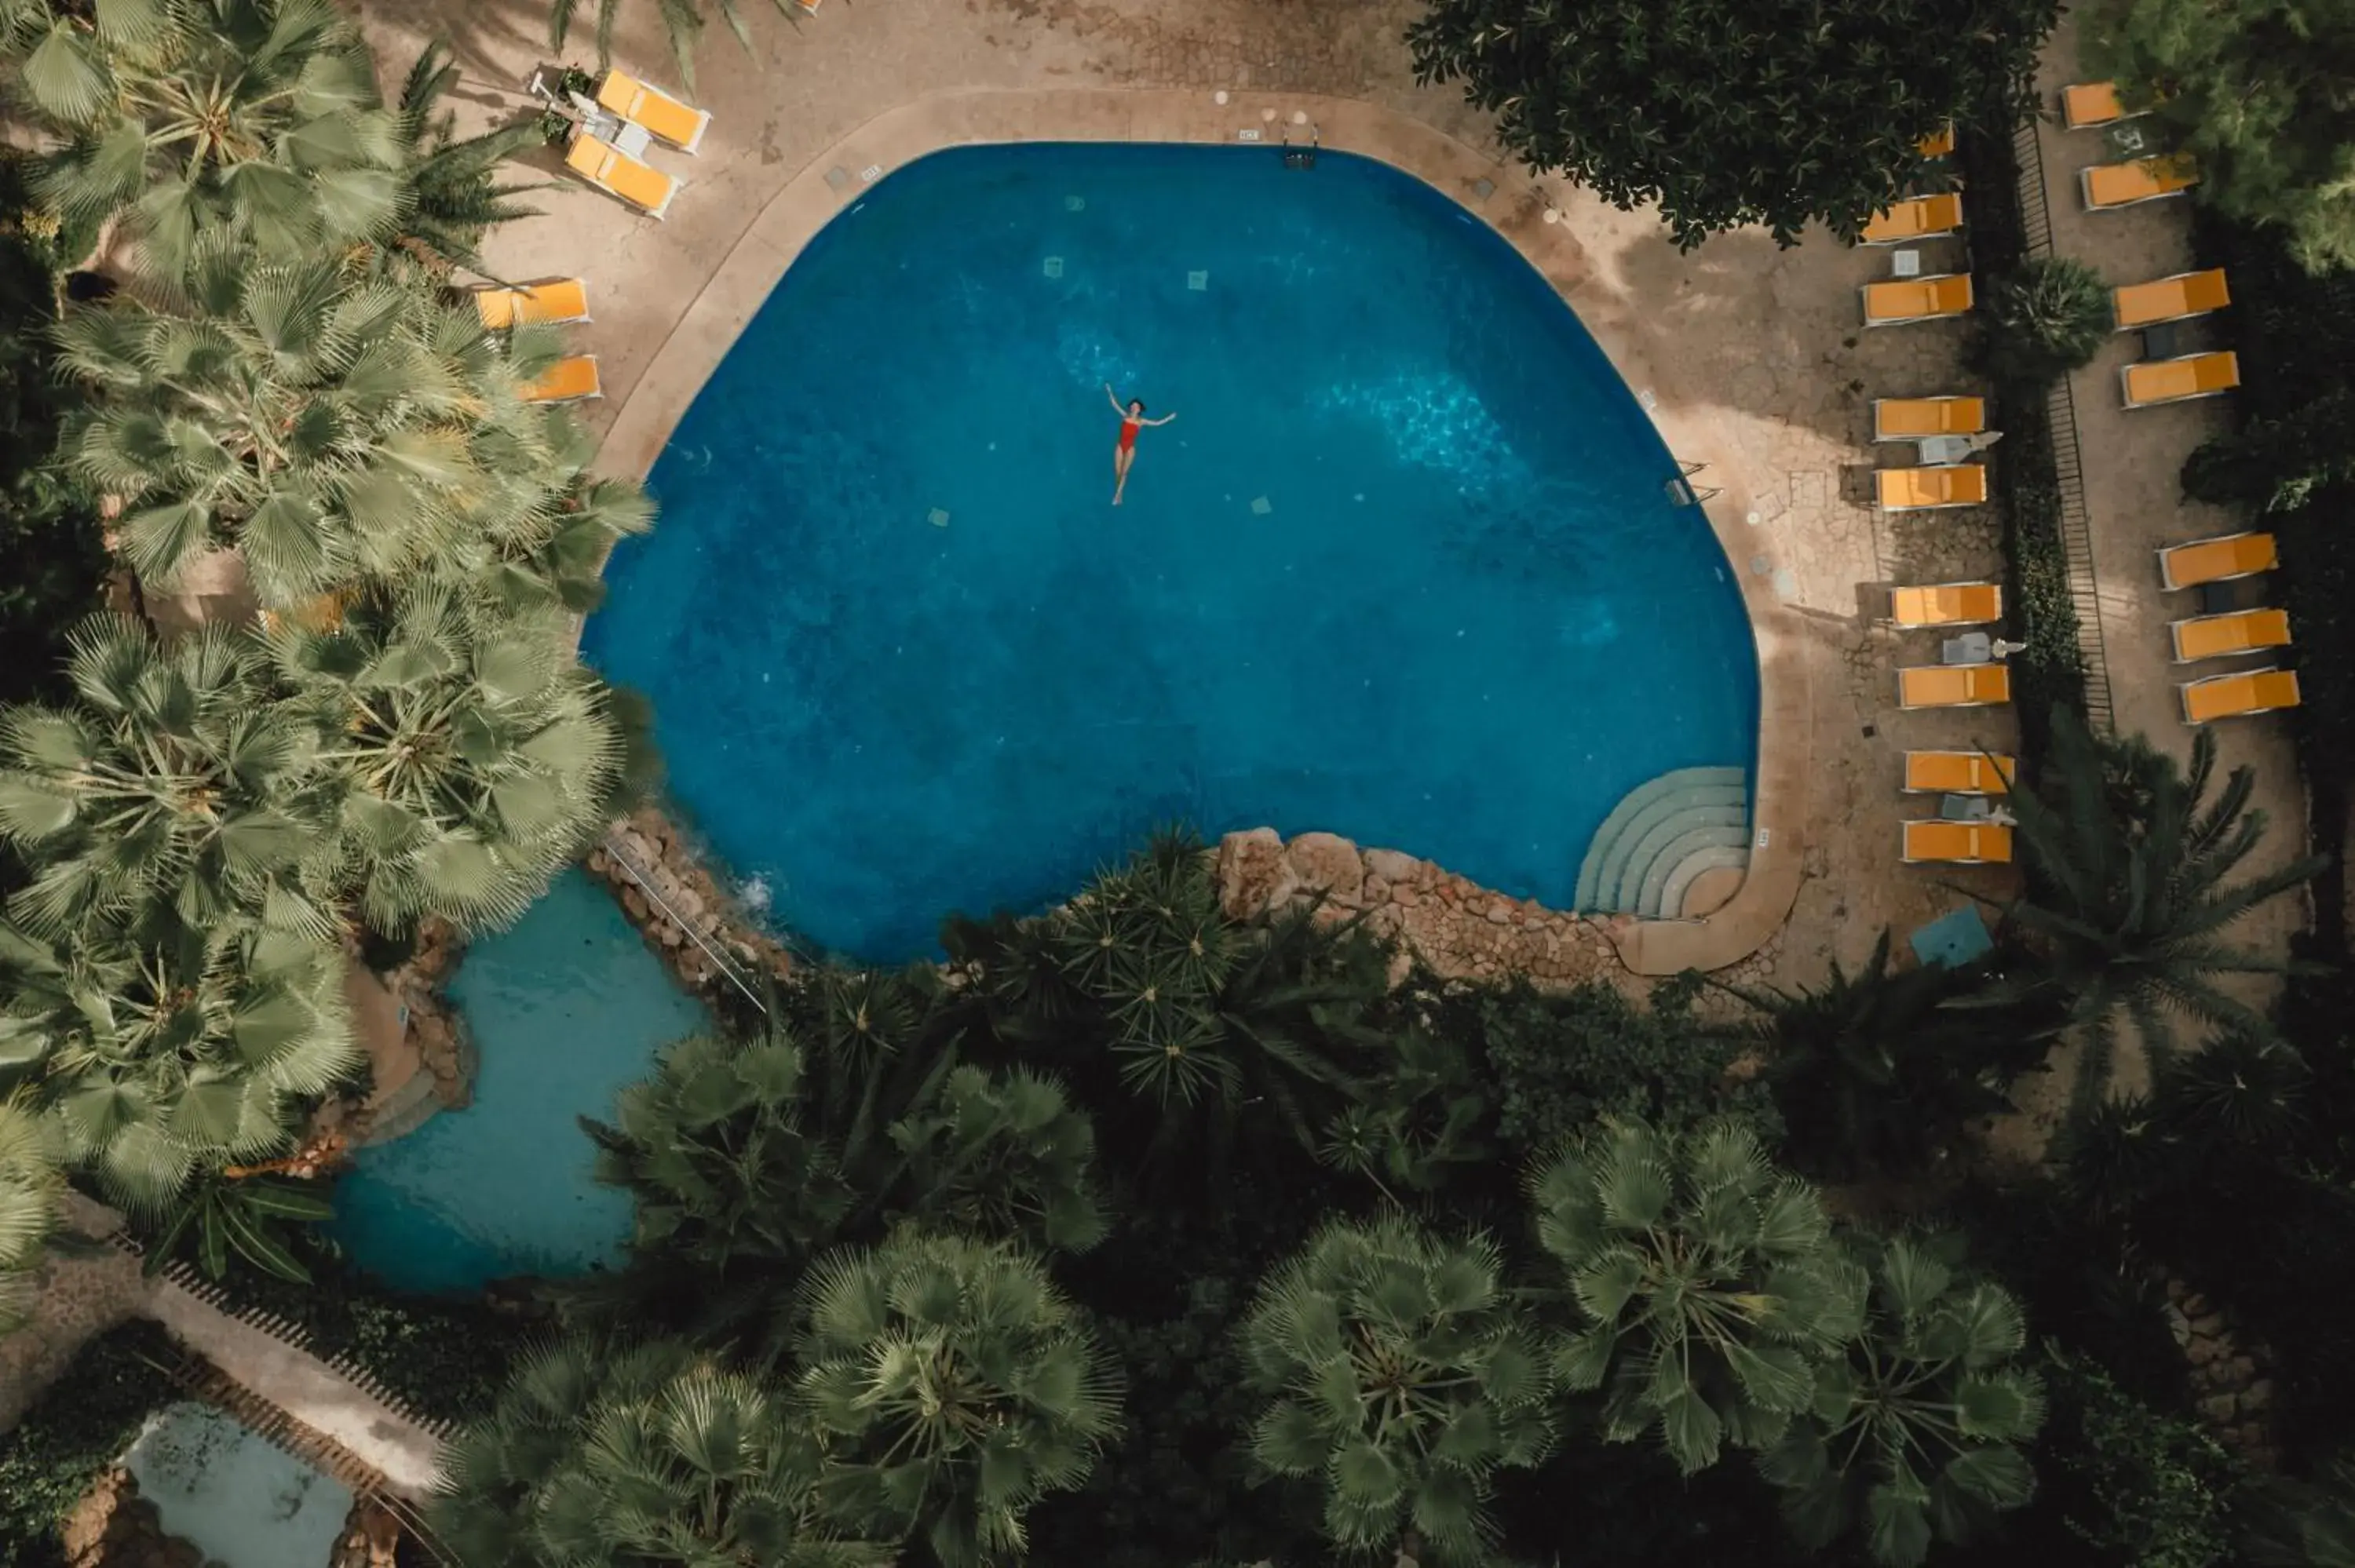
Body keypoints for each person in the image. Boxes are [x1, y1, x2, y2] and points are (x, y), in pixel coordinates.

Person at [1105, 383, 1176, 505]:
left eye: (1136, 406)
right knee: (1118, 471)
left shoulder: (1141, 421)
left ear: (1139, 409)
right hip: (1120, 445)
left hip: (1130, 448)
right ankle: (1120, 497)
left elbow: (1157, 423)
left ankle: (1116, 496)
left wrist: (1169, 418)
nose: (1134, 407)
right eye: (1133, 406)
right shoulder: (1125, 416)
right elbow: (1114, 405)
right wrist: (1110, 391)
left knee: (1124, 472)